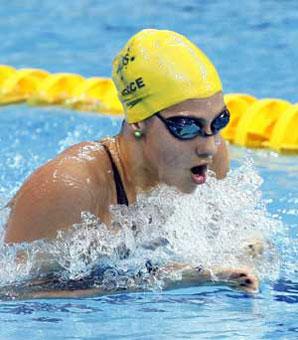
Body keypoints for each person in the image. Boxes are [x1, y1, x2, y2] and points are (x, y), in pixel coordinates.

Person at [3, 29, 259, 298]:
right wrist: (162, 278)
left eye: (219, 121)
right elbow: (12, 293)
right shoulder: (69, 187)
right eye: (185, 127)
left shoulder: (211, 158)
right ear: (138, 122)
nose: (208, 146)